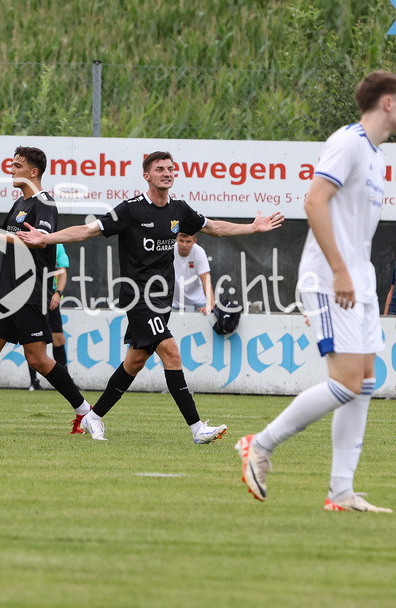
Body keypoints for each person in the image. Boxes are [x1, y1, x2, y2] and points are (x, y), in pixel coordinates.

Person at [236, 70, 396, 513]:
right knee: (347, 381)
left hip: (359, 282)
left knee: (365, 381)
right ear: (387, 103)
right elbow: (313, 200)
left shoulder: (376, 155)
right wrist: (339, 271)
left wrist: (354, 274)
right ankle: (259, 444)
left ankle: (340, 492)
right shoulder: (350, 141)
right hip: (331, 281)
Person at [17, 151, 283, 443]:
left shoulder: (179, 210)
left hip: (161, 299)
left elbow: (215, 227)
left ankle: (93, 417)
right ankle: (197, 429)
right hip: (137, 297)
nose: (167, 173)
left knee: (135, 361)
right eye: (160, 169)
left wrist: (253, 227)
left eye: (171, 169)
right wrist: (46, 238)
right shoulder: (131, 209)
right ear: (147, 176)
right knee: (171, 351)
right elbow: (86, 230)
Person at [0, 146, 92, 434]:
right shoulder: (20, 203)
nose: (11, 169)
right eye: (12, 164)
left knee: (37, 359)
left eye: (17, 165)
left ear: (33, 172)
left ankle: (85, 412)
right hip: (5, 291)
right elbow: (4, 237)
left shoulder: (44, 203)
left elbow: (35, 241)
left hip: (27, 291)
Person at [28, 243, 69, 391]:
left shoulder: (57, 245)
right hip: (33, 295)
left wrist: (58, 293)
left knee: (59, 339)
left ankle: (65, 381)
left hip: (51, 295)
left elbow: (62, 270)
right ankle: (34, 382)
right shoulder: (26, 240)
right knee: (33, 340)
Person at [172, 232, 213, 314]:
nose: (184, 245)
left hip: (199, 303)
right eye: (181, 241)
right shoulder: (170, 251)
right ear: (176, 239)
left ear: (195, 241)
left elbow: (206, 279)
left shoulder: (199, 252)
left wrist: (210, 304)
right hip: (175, 303)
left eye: (188, 242)